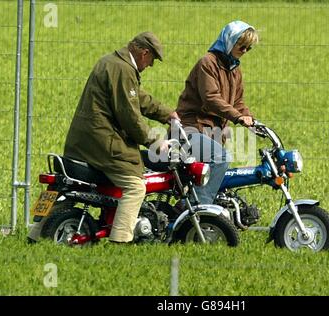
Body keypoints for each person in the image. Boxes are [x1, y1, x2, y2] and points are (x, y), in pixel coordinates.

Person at [28, 32, 179, 244]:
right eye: (153, 59)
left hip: (82, 142)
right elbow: (130, 117)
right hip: (102, 143)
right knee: (136, 186)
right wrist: (156, 141)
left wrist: (167, 114)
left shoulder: (111, 61)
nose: (151, 65)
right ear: (145, 53)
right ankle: (121, 240)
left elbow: (137, 97)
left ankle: (34, 235)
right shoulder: (124, 69)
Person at [174, 21, 258, 205]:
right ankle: (201, 209)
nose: (244, 51)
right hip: (191, 129)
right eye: (241, 45)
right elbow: (210, 98)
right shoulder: (208, 62)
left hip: (213, 133)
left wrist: (251, 119)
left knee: (216, 171)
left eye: (248, 48)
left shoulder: (234, 69)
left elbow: (238, 102)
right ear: (229, 40)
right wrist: (237, 117)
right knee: (220, 159)